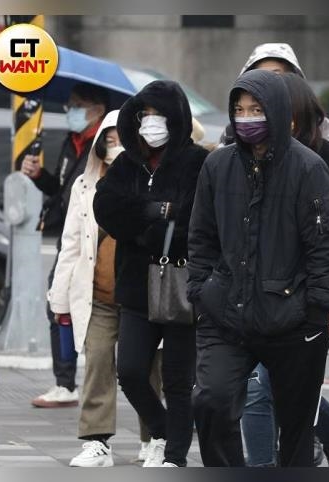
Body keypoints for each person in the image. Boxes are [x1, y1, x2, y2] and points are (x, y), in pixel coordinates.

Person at [187, 69, 329, 467]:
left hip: (294, 320)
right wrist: (201, 291)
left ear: (276, 112)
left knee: (295, 426)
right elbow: (201, 236)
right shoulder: (217, 166)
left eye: (256, 109)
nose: (246, 118)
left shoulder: (309, 169)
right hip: (226, 313)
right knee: (211, 402)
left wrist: (320, 307)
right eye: (239, 110)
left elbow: (328, 244)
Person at [239, 72, 329, 468]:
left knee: (291, 390)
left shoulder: (325, 160)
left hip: (304, 298)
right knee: (258, 388)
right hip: (254, 297)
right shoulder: (246, 156)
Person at [94, 80, 209, 468]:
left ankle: (175, 455)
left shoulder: (196, 162)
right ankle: (163, 429)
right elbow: (107, 208)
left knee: (178, 379)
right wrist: (154, 212)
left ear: (175, 119)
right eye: (144, 116)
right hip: (135, 287)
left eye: (158, 116)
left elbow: (194, 216)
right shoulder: (126, 164)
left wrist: (144, 221)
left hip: (179, 283)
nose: (150, 124)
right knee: (128, 369)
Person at [47, 110, 157, 467]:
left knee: (144, 369)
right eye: (107, 140)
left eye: (120, 138)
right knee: (96, 363)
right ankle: (97, 442)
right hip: (96, 296)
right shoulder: (83, 185)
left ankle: (154, 437)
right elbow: (71, 246)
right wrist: (59, 299)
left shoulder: (149, 180)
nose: (114, 146)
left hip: (141, 296)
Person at [21, 82, 109, 409]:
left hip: (94, 238)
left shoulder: (106, 144)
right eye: (70, 105)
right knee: (58, 305)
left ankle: (72, 381)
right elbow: (63, 189)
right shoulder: (72, 142)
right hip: (68, 236)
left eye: (78, 104)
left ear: (97, 110)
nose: (70, 111)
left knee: (83, 309)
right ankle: (65, 382)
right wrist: (39, 175)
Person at [220, 42, 329, 146]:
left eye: (275, 75)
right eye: (260, 75)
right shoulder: (237, 128)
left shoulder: (315, 124)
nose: (267, 81)